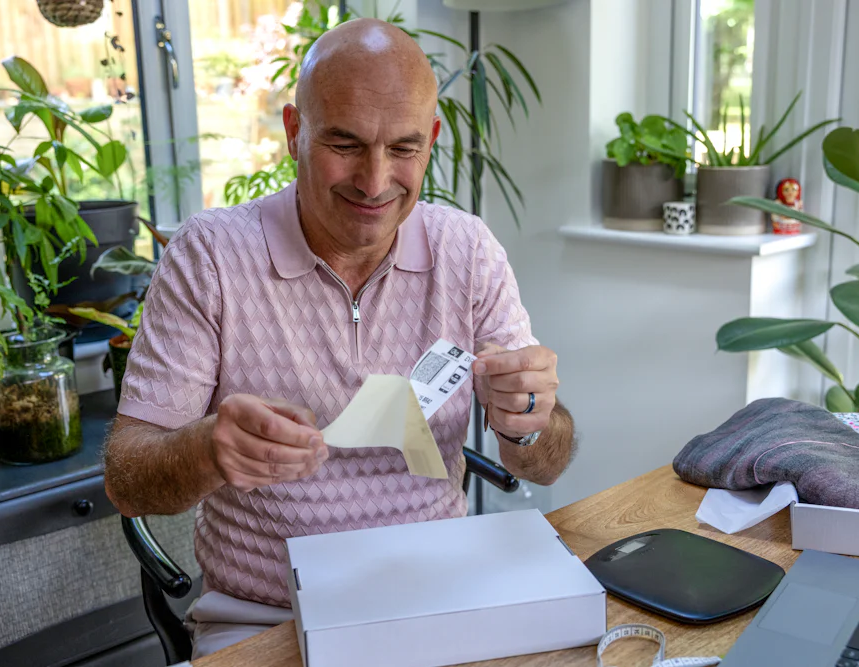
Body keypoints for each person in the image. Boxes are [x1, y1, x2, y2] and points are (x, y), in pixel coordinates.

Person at [104, 17, 576, 658]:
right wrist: (206, 450)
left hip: (438, 598)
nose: (375, 180)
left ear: (431, 141)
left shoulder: (466, 252)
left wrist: (528, 420)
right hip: (266, 617)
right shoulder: (211, 257)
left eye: (404, 149)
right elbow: (126, 479)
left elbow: (540, 462)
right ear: (294, 131)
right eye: (346, 144)